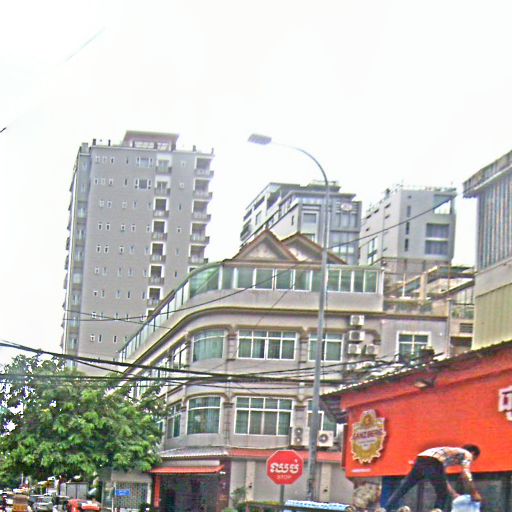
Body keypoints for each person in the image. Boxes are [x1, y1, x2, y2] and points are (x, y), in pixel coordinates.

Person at [383, 445, 482, 512]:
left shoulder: (451, 454)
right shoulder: (467, 454)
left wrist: (453, 494)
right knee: (442, 495)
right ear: (473, 453)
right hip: (433, 461)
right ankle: (437, 509)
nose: (472, 461)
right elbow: (466, 474)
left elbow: (443, 479)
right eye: (474, 459)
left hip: (421, 458)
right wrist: (474, 493)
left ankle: (386, 508)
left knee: (404, 487)